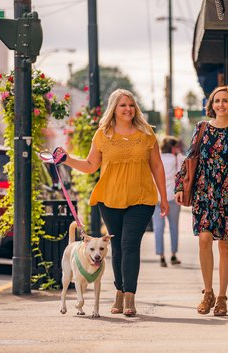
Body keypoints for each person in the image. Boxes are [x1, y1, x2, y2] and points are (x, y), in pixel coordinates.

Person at [55, 88, 169, 317]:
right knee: (116, 247)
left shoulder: (146, 133)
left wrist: (163, 197)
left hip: (141, 198)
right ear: (114, 109)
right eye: (122, 105)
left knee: (129, 244)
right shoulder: (102, 135)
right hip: (110, 199)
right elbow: (90, 165)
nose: (128, 109)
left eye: (131, 105)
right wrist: (66, 159)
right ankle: (119, 291)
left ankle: (130, 296)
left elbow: (157, 165)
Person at [175, 85, 228, 316]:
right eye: (216, 101)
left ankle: (222, 297)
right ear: (211, 105)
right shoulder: (201, 128)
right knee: (204, 238)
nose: (220, 104)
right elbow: (190, 158)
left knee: (224, 244)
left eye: (224, 101)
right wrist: (180, 185)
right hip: (204, 190)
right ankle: (207, 292)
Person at [153, 136, 184, 267]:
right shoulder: (178, 159)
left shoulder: (156, 159)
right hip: (173, 197)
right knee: (173, 227)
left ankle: (161, 256)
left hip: (157, 198)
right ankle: (173, 255)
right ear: (173, 147)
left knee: (158, 228)